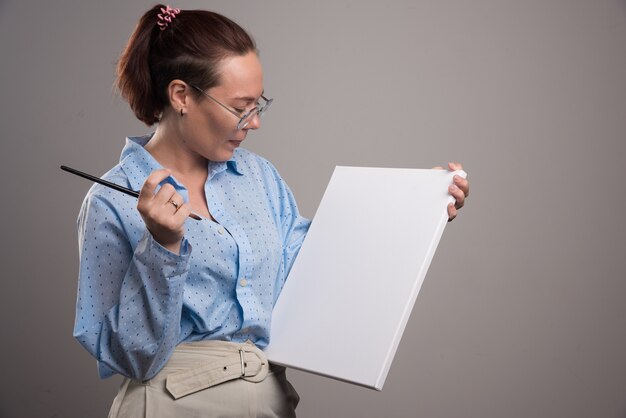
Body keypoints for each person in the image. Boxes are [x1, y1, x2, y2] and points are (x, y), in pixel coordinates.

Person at [73, 4, 470, 418]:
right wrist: (163, 247)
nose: (255, 122)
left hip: (270, 400)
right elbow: (131, 357)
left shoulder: (259, 177)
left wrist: (417, 206)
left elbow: (313, 272)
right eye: (240, 106)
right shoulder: (112, 201)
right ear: (181, 96)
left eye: (258, 103)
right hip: (170, 405)